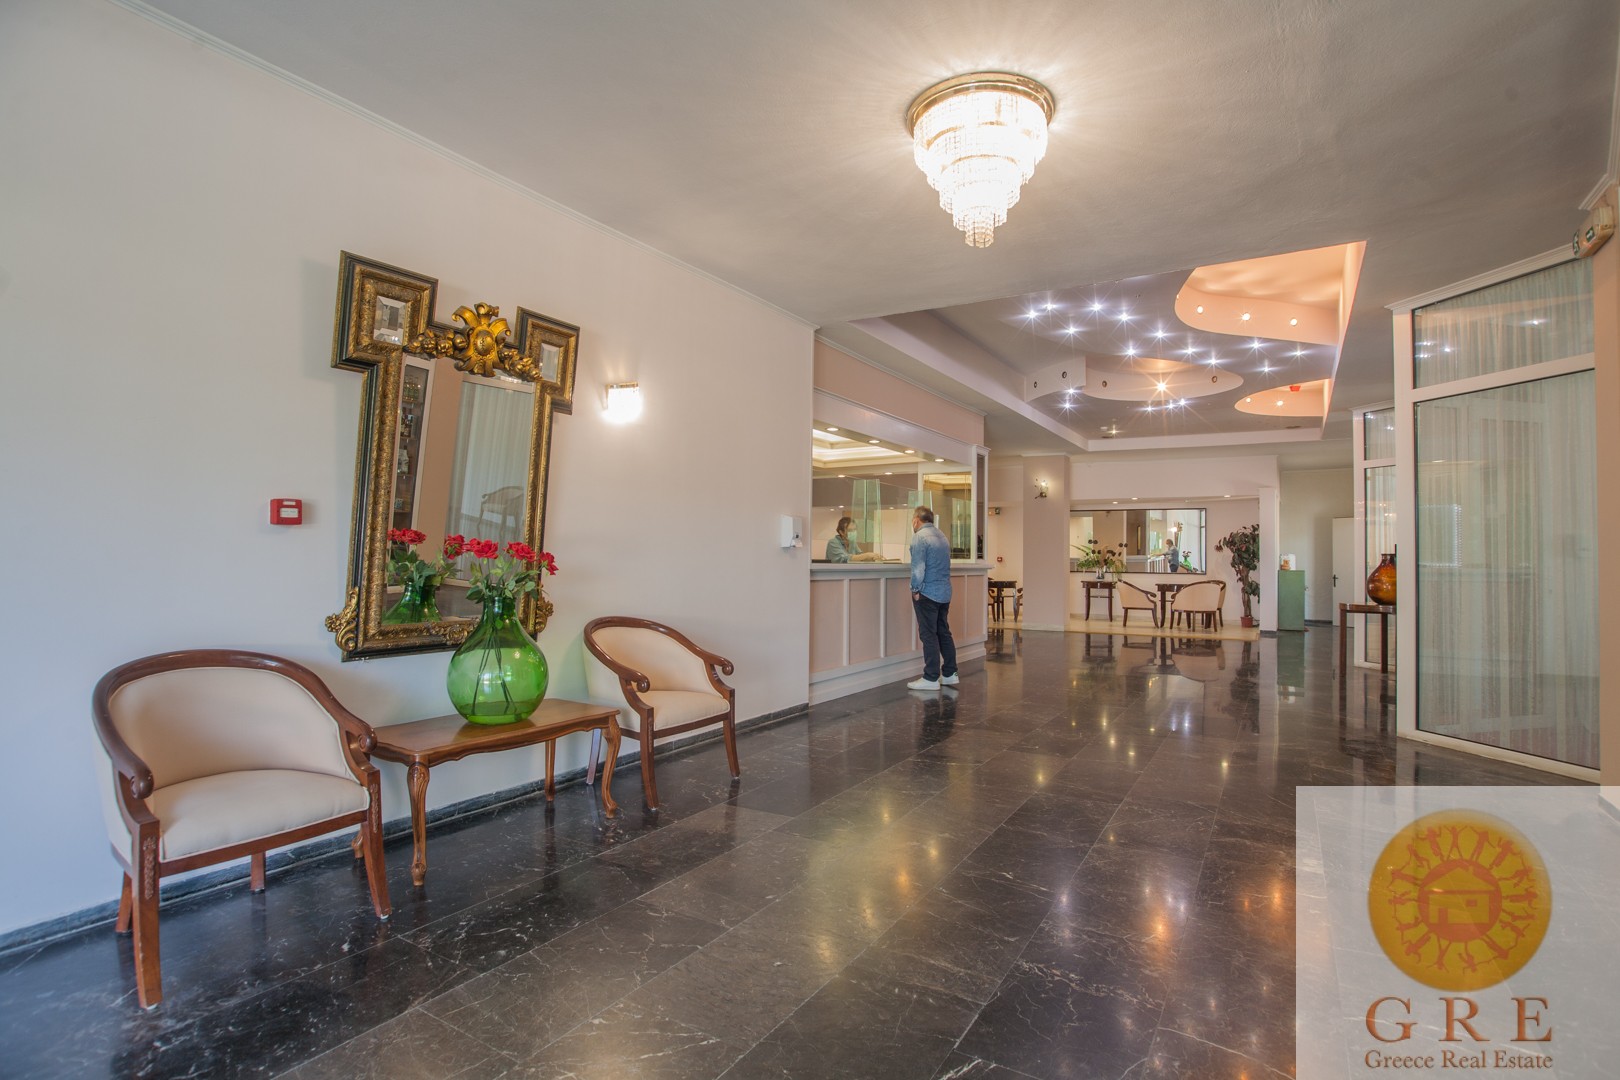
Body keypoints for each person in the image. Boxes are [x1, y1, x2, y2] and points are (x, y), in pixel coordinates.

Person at [907, 506, 958, 690]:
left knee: (928, 634)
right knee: (943, 632)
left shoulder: (919, 537)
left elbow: (918, 568)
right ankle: (950, 673)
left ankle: (930, 677)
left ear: (916, 520)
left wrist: (915, 589)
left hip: (927, 593)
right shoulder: (941, 535)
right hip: (944, 592)